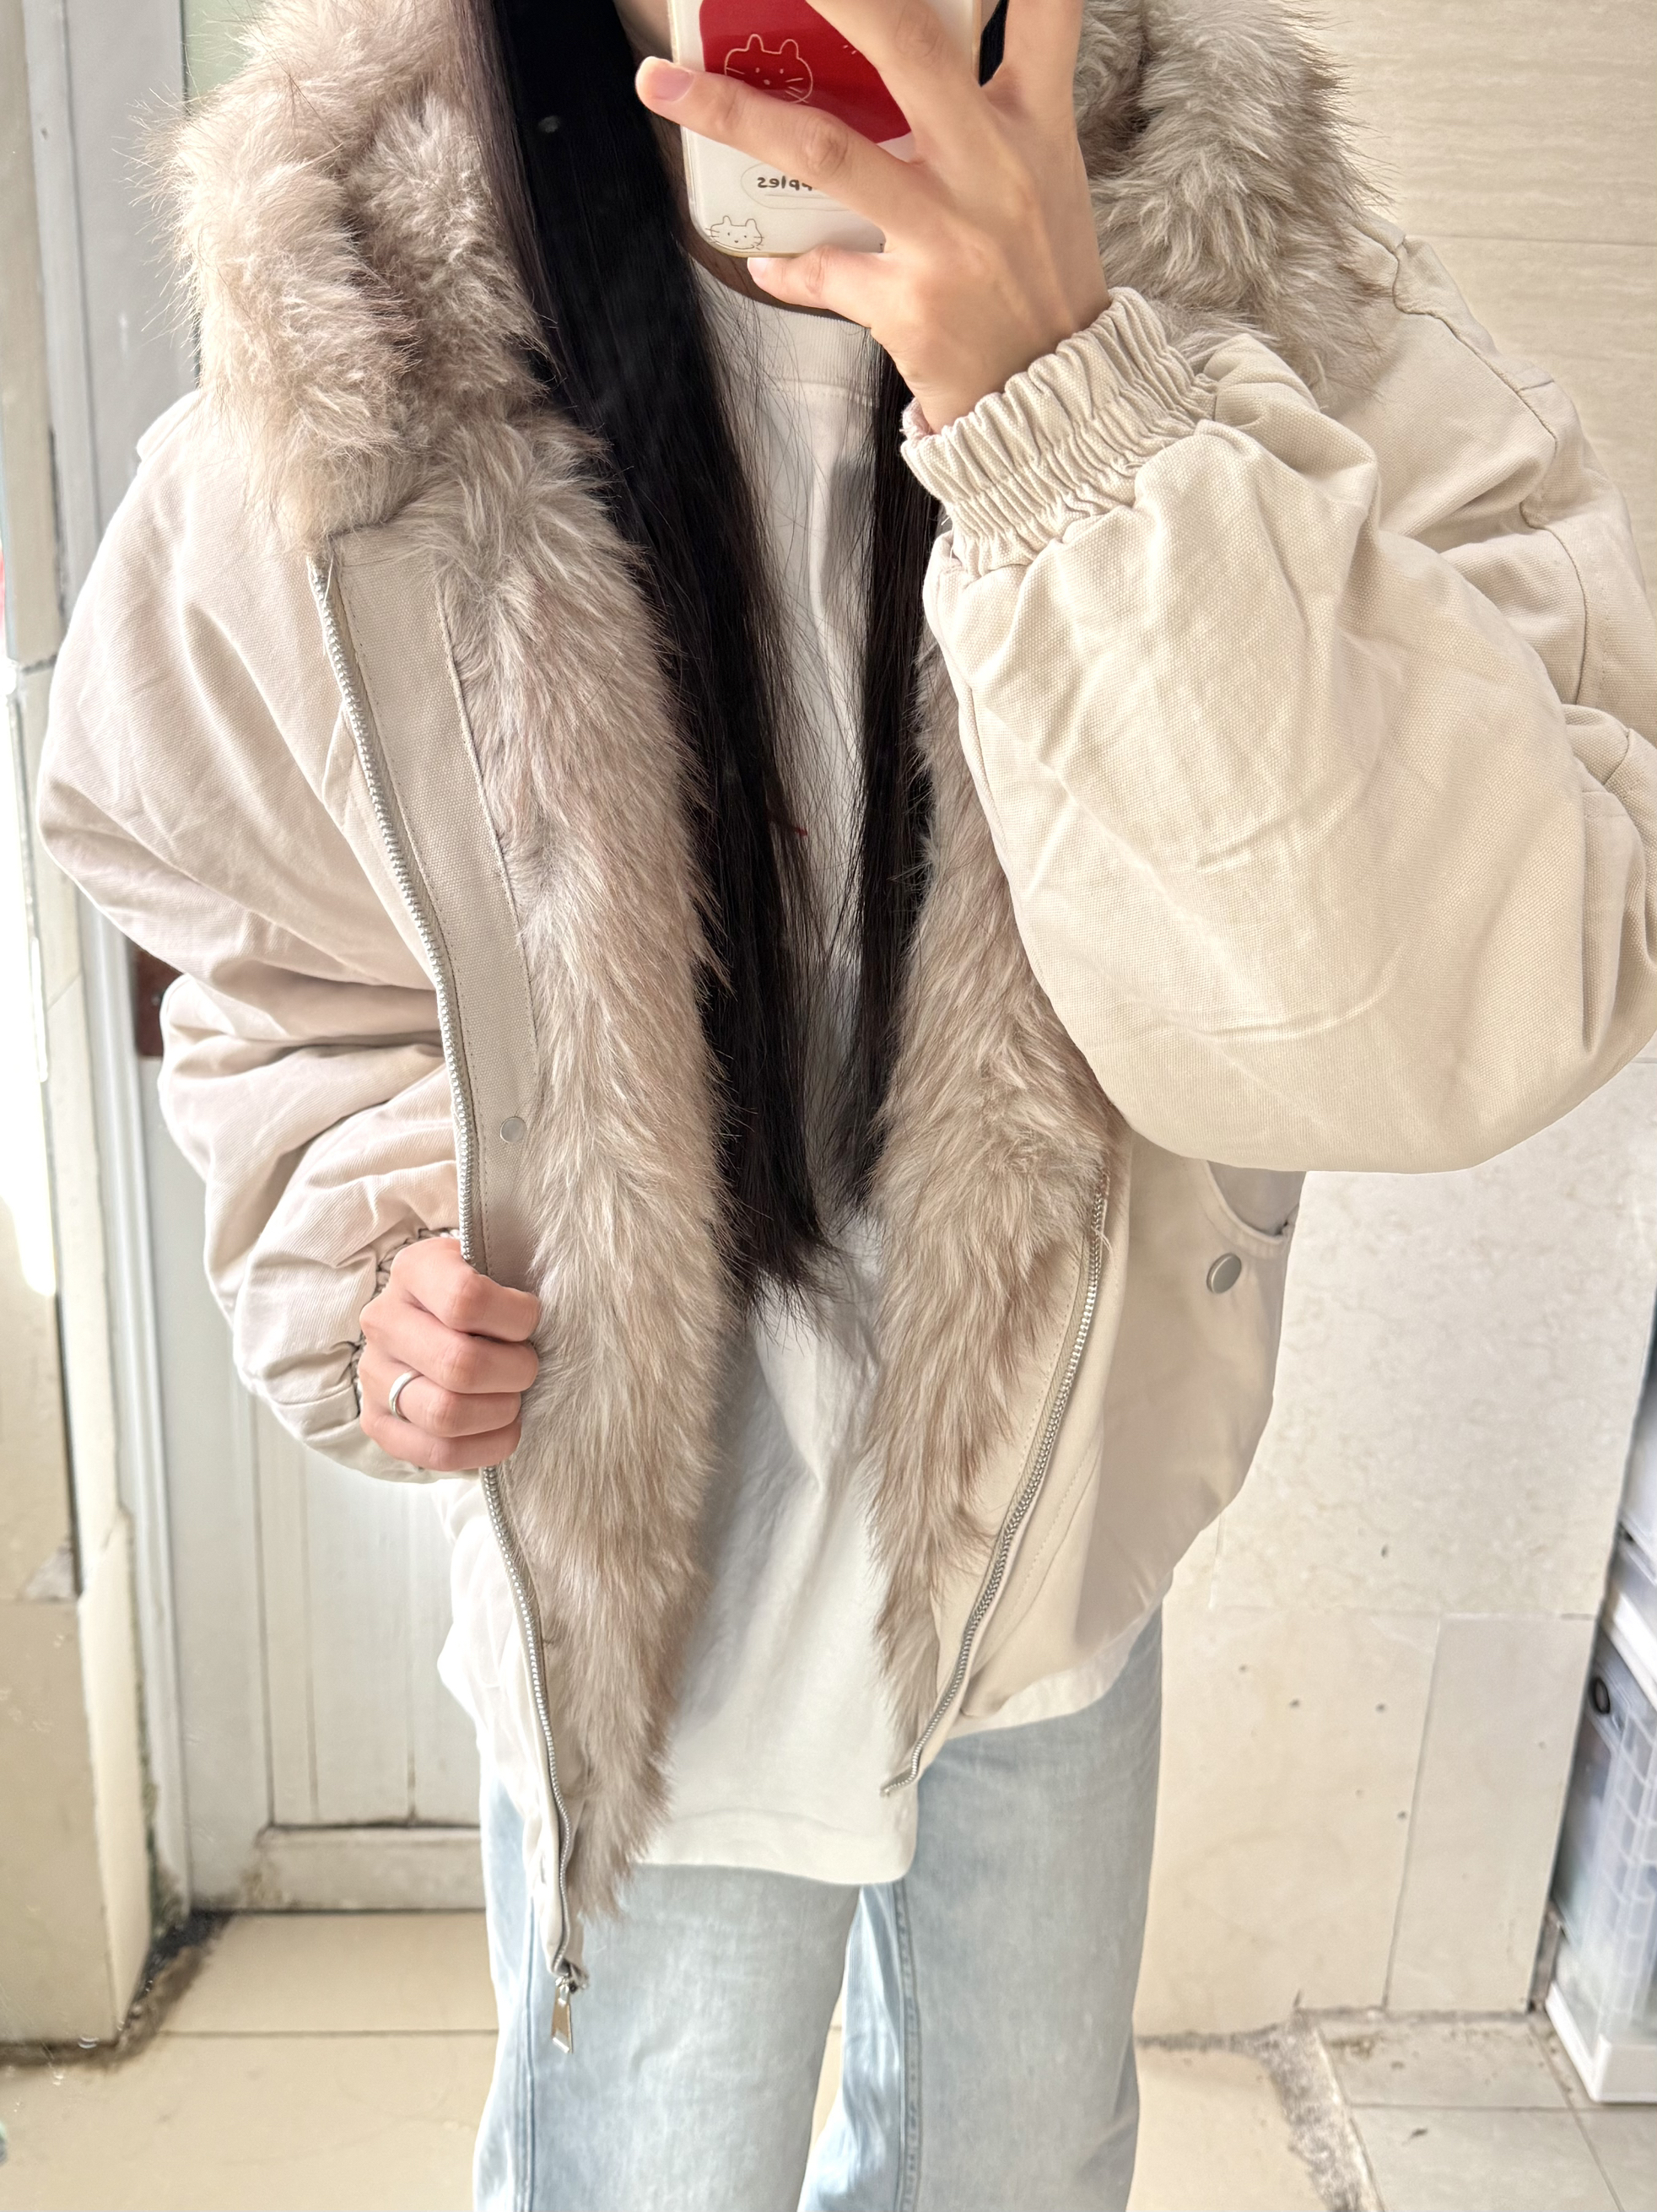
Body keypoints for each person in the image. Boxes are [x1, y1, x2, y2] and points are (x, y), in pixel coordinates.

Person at [36, 0, 1657, 2203]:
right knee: (645, 2165)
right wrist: (379, 1228)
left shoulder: (1258, 276)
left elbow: (1474, 985)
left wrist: (1074, 407)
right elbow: (254, 924)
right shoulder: (362, 323)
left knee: (1022, 2158)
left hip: (1056, 1495)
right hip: (650, 1545)